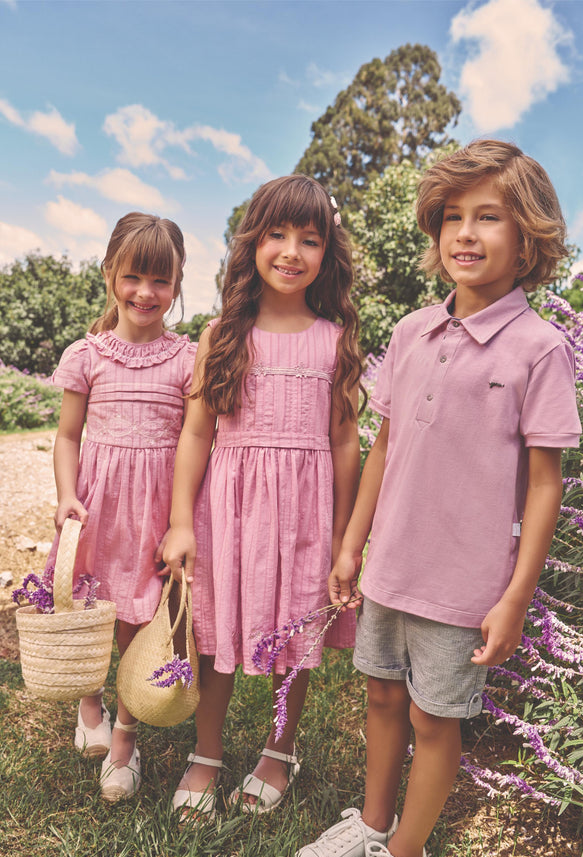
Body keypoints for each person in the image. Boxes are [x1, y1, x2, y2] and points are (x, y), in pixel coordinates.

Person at [295, 139, 581, 857]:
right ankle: (372, 819)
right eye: (452, 216)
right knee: (382, 695)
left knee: (433, 717)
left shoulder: (540, 349)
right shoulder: (412, 332)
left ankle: (410, 854)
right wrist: (352, 544)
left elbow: (545, 484)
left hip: (464, 584)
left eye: (489, 216)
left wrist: (515, 597)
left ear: (529, 239)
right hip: (391, 561)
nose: (465, 232)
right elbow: (383, 445)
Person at [163, 174, 363, 823]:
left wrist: (340, 539)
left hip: (304, 517)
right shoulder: (221, 334)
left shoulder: (333, 342)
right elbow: (196, 433)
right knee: (216, 630)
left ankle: (278, 751)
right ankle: (209, 753)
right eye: (277, 233)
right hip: (227, 514)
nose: (290, 251)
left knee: (292, 638)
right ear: (252, 242)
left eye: (309, 239)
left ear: (326, 254)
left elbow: (342, 445)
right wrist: (179, 523)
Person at [48, 212, 195, 802]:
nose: (145, 292)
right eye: (133, 276)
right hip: (98, 509)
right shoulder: (87, 355)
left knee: (141, 619)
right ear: (111, 273)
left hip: (155, 513)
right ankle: (90, 703)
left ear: (178, 285)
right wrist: (66, 495)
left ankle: (126, 740)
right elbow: (66, 436)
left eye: (161, 281)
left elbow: (194, 440)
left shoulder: (187, 359)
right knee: (92, 608)